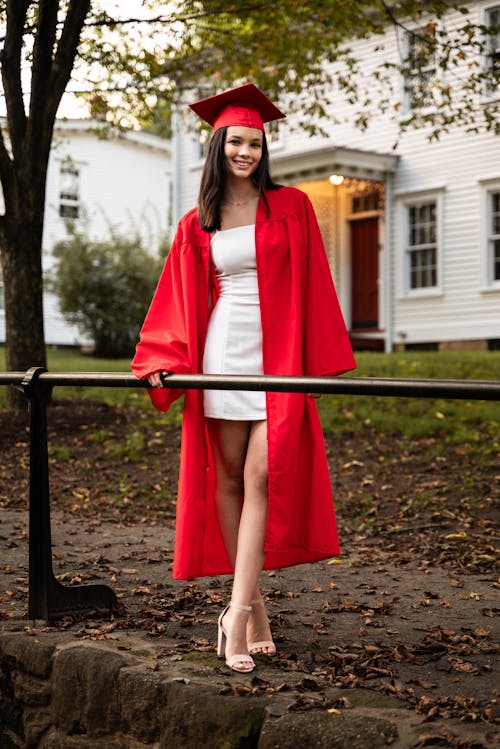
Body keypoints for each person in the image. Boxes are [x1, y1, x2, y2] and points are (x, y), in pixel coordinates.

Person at [131, 83, 356, 673]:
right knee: (227, 478)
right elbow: (174, 300)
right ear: (218, 144)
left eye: (254, 143)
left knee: (262, 477)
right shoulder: (196, 222)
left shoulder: (294, 207)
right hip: (221, 355)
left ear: (264, 147)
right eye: (236, 141)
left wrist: (319, 359)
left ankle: (232, 613)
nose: (245, 152)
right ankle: (253, 605)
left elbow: (315, 284)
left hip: (275, 357)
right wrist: (161, 358)